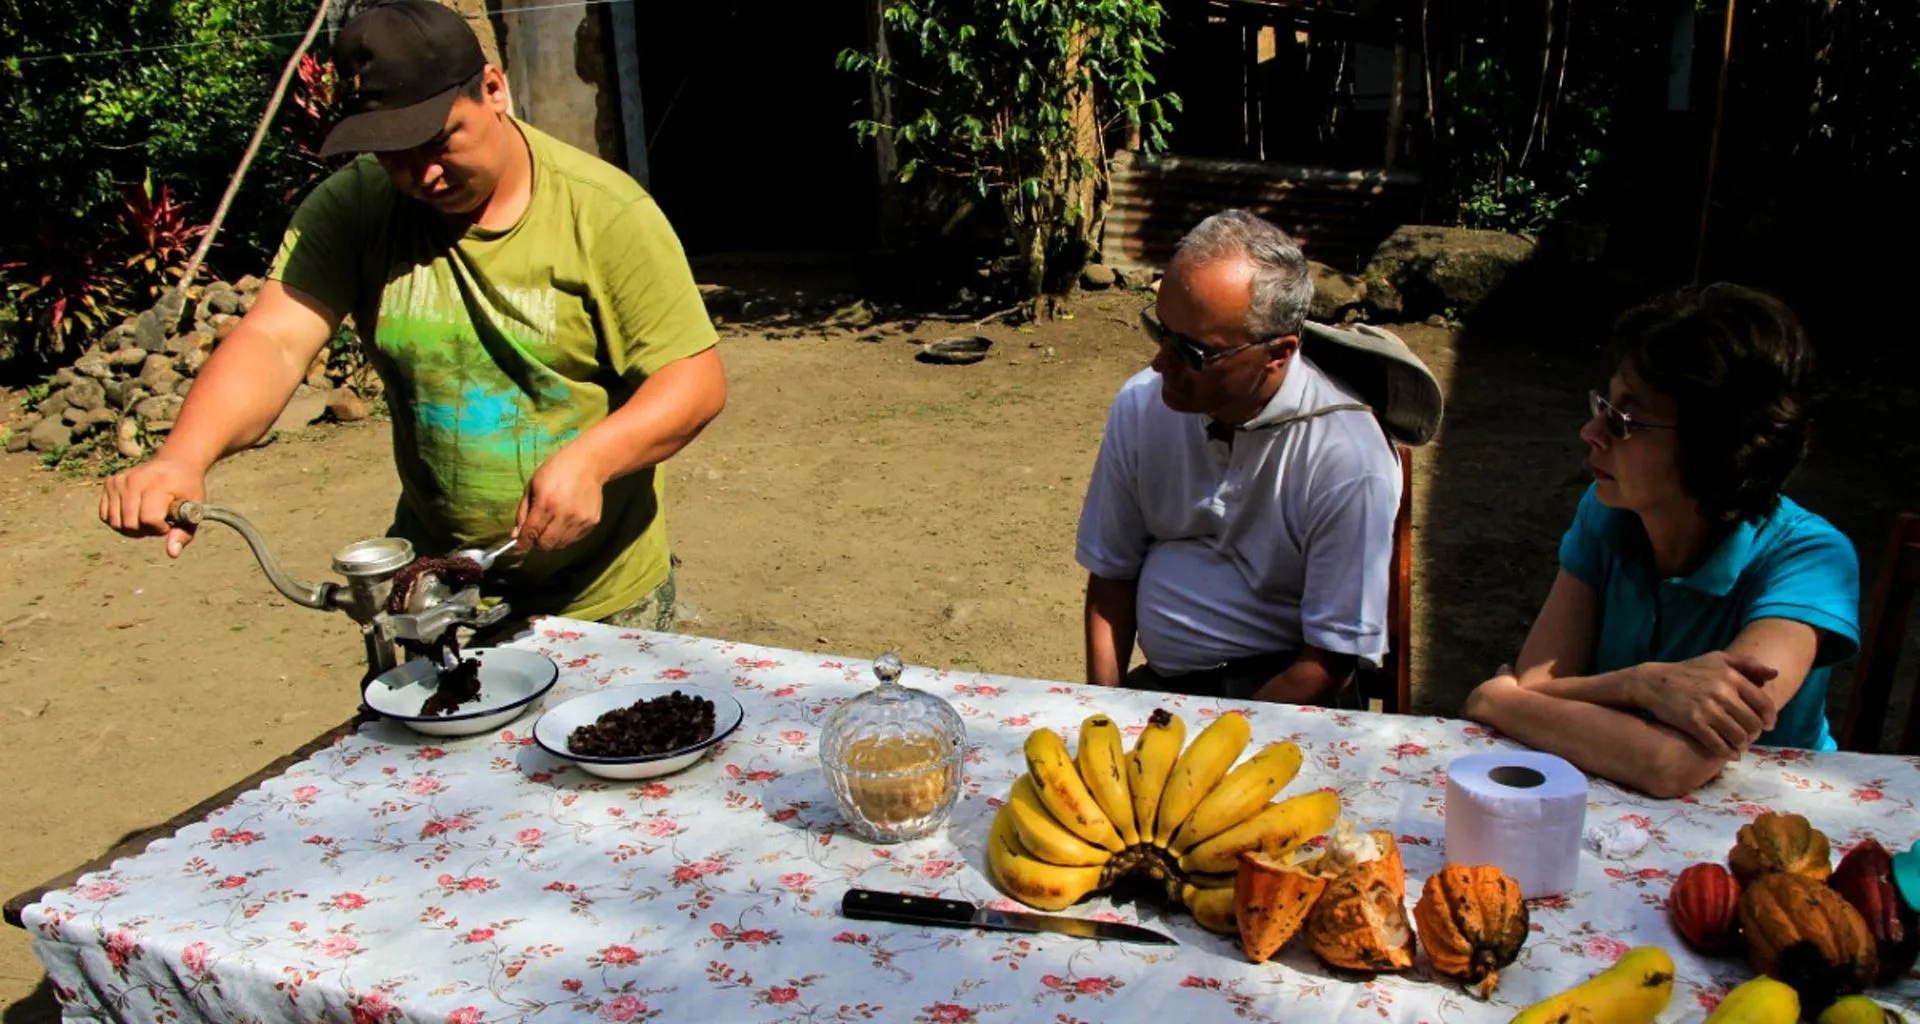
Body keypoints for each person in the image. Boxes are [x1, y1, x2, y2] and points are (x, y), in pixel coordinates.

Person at [99, 0, 726, 631]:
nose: (421, 172)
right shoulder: (355, 210)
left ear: (493, 89)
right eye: (392, 152)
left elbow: (692, 382)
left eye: (438, 139)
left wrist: (594, 459)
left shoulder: (603, 213)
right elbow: (275, 340)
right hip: (437, 595)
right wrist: (183, 456)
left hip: (601, 599)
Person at [1463, 283, 1860, 799]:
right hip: (1613, 813)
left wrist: (1496, 702)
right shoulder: (1607, 512)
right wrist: (1639, 683)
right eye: (1602, 403)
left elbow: (1670, 765)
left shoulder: (1809, 560)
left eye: (1624, 419)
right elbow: (1539, 683)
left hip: (1763, 838)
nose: (1590, 430)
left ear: (1717, 444)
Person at [1075, 209, 1441, 704]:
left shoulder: (1347, 457)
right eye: (1160, 332)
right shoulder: (1143, 404)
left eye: (1190, 352)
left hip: (1291, 702)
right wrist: (1107, 708)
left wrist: (1218, 744)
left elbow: (1328, 663)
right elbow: (1111, 580)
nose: (1160, 362)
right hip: (1161, 692)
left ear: (1278, 353)